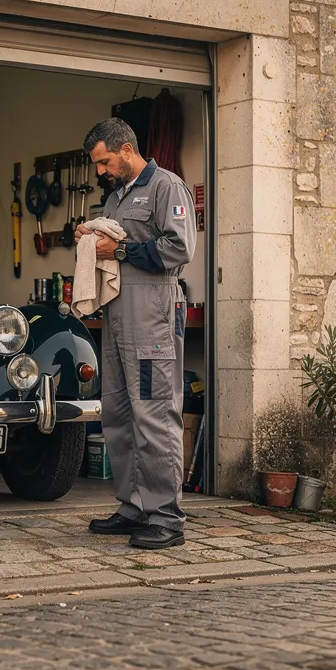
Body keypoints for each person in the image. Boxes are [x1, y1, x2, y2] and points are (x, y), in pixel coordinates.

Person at [76, 117, 196, 550]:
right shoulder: (114, 198)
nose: (101, 171)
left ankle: (166, 516)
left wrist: (120, 248)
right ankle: (133, 506)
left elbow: (180, 247)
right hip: (118, 318)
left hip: (152, 316)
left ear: (126, 150)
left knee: (155, 413)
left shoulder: (166, 186)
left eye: (105, 161)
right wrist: (90, 235)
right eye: (97, 165)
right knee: (120, 412)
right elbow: (108, 246)